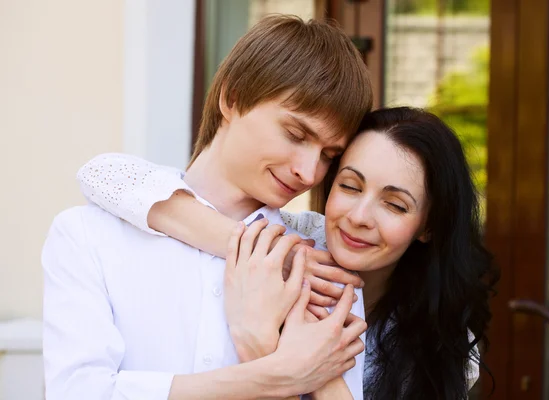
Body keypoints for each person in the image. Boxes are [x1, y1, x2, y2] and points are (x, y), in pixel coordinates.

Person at [42, 15, 373, 400]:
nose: (308, 171)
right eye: (295, 134)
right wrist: (278, 376)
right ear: (231, 98)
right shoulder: (87, 236)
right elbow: (78, 393)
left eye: (329, 155)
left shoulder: (321, 267)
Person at [78, 107, 499, 399]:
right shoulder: (297, 239)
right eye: (350, 186)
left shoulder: (442, 341)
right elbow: (103, 175)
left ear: (427, 225)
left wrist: (276, 351)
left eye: (394, 204)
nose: (359, 217)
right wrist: (259, 249)